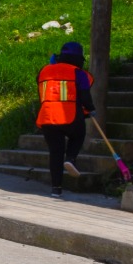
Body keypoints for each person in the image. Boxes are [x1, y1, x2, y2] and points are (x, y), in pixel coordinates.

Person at [36, 40, 95, 198]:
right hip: (69, 116)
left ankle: (56, 189)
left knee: (55, 152)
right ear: (78, 59)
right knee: (79, 134)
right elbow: (84, 96)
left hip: (47, 116)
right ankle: (71, 158)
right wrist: (90, 109)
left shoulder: (44, 71)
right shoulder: (78, 73)